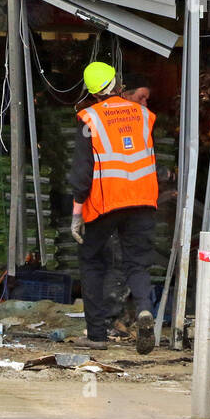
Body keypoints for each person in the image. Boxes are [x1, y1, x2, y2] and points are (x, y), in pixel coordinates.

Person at [68, 61, 159, 354]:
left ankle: (96, 335)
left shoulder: (89, 119)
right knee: (137, 262)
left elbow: (82, 172)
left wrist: (76, 212)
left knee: (92, 262)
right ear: (119, 85)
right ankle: (145, 310)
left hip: (106, 202)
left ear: (93, 94)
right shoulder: (144, 115)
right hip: (143, 201)